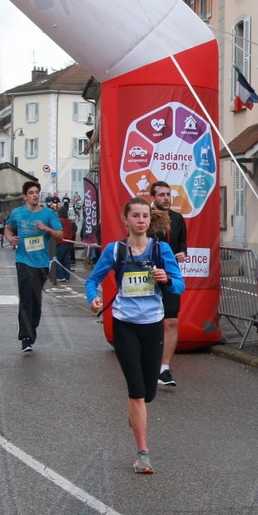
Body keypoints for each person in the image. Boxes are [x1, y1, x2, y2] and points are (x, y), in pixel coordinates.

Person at [86, 198, 184, 474]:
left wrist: (167, 279)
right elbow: (92, 280)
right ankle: (143, 452)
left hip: (152, 325)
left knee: (148, 393)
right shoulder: (115, 250)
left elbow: (179, 286)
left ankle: (136, 411)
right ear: (126, 219)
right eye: (136, 216)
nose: (141, 220)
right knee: (136, 391)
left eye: (145, 216)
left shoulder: (161, 249)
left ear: (149, 220)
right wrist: (93, 298)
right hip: (124, 325)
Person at [6, 180, 64, 353]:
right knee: (26, 296)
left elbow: (60, 235)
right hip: (23, 260)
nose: (35, 195)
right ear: (25, 196)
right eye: (31, 193)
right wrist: (10, 238)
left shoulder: (48, 214)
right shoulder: (17, 213)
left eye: (37, 192)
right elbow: (8, 229)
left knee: (35, 298)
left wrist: (47, 229)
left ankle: (32, 328)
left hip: (42, 263)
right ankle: (25, 337)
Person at [150, 180, 189, 389]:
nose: (166, 198)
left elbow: (182, 244)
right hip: (149, 277)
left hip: (171, 277)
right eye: (162, 195)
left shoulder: (177, 218)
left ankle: (164, 369)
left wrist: (182, 253)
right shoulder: (146, 217)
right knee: (150, 322)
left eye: (168, 194)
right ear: (153, 198)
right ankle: (149, 363)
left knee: (171, 321)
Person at [55, 207, 76, 282]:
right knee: (66, 260)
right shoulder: (69, 221)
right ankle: (67, 277)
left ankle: (61, 276)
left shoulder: (59, 221)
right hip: (69, 242)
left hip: (61, 242)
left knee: (57, 259)